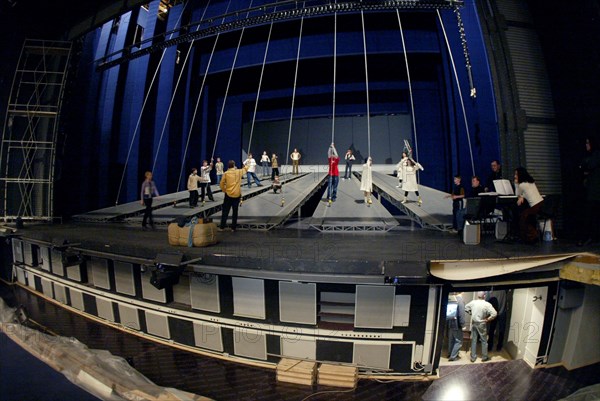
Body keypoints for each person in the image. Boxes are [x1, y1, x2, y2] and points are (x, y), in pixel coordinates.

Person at [578, 137, 600, 246]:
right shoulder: (590, 156)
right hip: (591, 192)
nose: (586, 145)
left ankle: (590, 237)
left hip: (595, 193)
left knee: (591, 215)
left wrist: (585, 166)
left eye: (588, 143)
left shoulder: (596, 154)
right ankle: (590, 236)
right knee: (590, 215)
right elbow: (581, 166)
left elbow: (589, 165)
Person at [513, 167, 544, 243]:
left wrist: (516, 184)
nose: (515, 176)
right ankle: (532, 235)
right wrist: (522, 196)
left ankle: (531, 236)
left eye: (516, 174)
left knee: (523, 217)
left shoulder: (521, 185)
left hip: (535, 206)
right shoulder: (531, 182)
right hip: (542, 204)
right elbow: (526, 192)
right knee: (527, 216)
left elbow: (517, 194)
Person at [465, 291, 497, 362]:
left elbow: (466, 308)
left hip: (474, 323)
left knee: (473, 340)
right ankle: (484, 357)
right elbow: (494, 314)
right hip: (482, 323)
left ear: (477, 295)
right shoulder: (487, 304)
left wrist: (471, 313)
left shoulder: (473, 302)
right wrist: (488, 319)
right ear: (484, 296)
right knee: (484, 341)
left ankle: (473, 357)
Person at [219, 160, 249, 232]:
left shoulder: (226, 173)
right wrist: (246, 164)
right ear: (234, 165)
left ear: (228, 166)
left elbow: (221, 184)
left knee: (225, 211)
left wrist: (224, 190)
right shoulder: (238, 172)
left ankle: (222, 227)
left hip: (228, 195)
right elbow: (246, 168)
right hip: (237, 194)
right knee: (235, 212)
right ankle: (233, 228)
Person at [447, 292, 466, 362]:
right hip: (457, 324)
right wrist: (463, 324)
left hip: (450, 322)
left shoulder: (452, 298)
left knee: (451, 340)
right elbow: (461, 313)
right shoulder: (460, 300)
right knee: (459, 341)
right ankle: (453, 356)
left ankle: (449, 354)